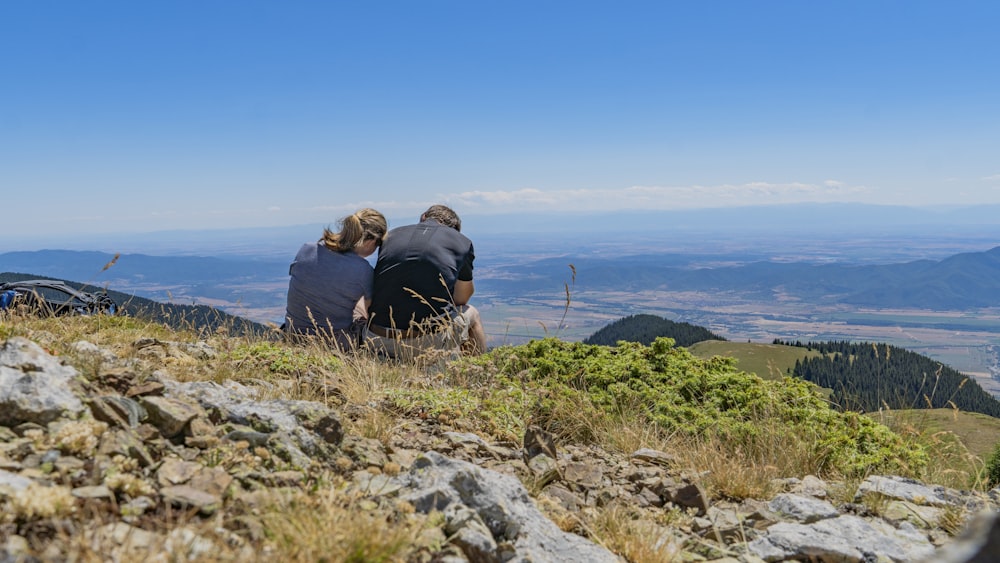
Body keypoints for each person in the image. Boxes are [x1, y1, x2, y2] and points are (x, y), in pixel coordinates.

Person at [366, 204, 487, 358]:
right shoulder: (462, 242)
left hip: (375, 338)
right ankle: (476, 372)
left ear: (424, 217)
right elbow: (461, 298)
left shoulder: (391, 235)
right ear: (454, 229)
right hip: (426, 343)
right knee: (472, 313)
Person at [283, 208, 387, 350]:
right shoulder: (363, 269)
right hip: (333, 344)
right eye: (379, 243)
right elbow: (371, 314)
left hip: (293, 334)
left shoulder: (307, 249)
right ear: (371, 241)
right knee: (361, 309)